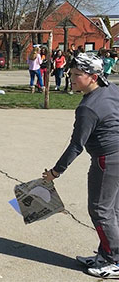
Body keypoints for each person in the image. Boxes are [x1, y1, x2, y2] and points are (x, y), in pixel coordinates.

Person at [41, 54, 119, 278]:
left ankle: (114, 260)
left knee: (100, 210)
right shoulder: (112, 89)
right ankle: (107, 254)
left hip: (107, 159)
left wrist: (55, 172)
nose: (71, 78)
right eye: (70, 73)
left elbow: (76, 145)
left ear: (93, 77)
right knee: (113, 210)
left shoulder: (88, 107)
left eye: (77, 75)